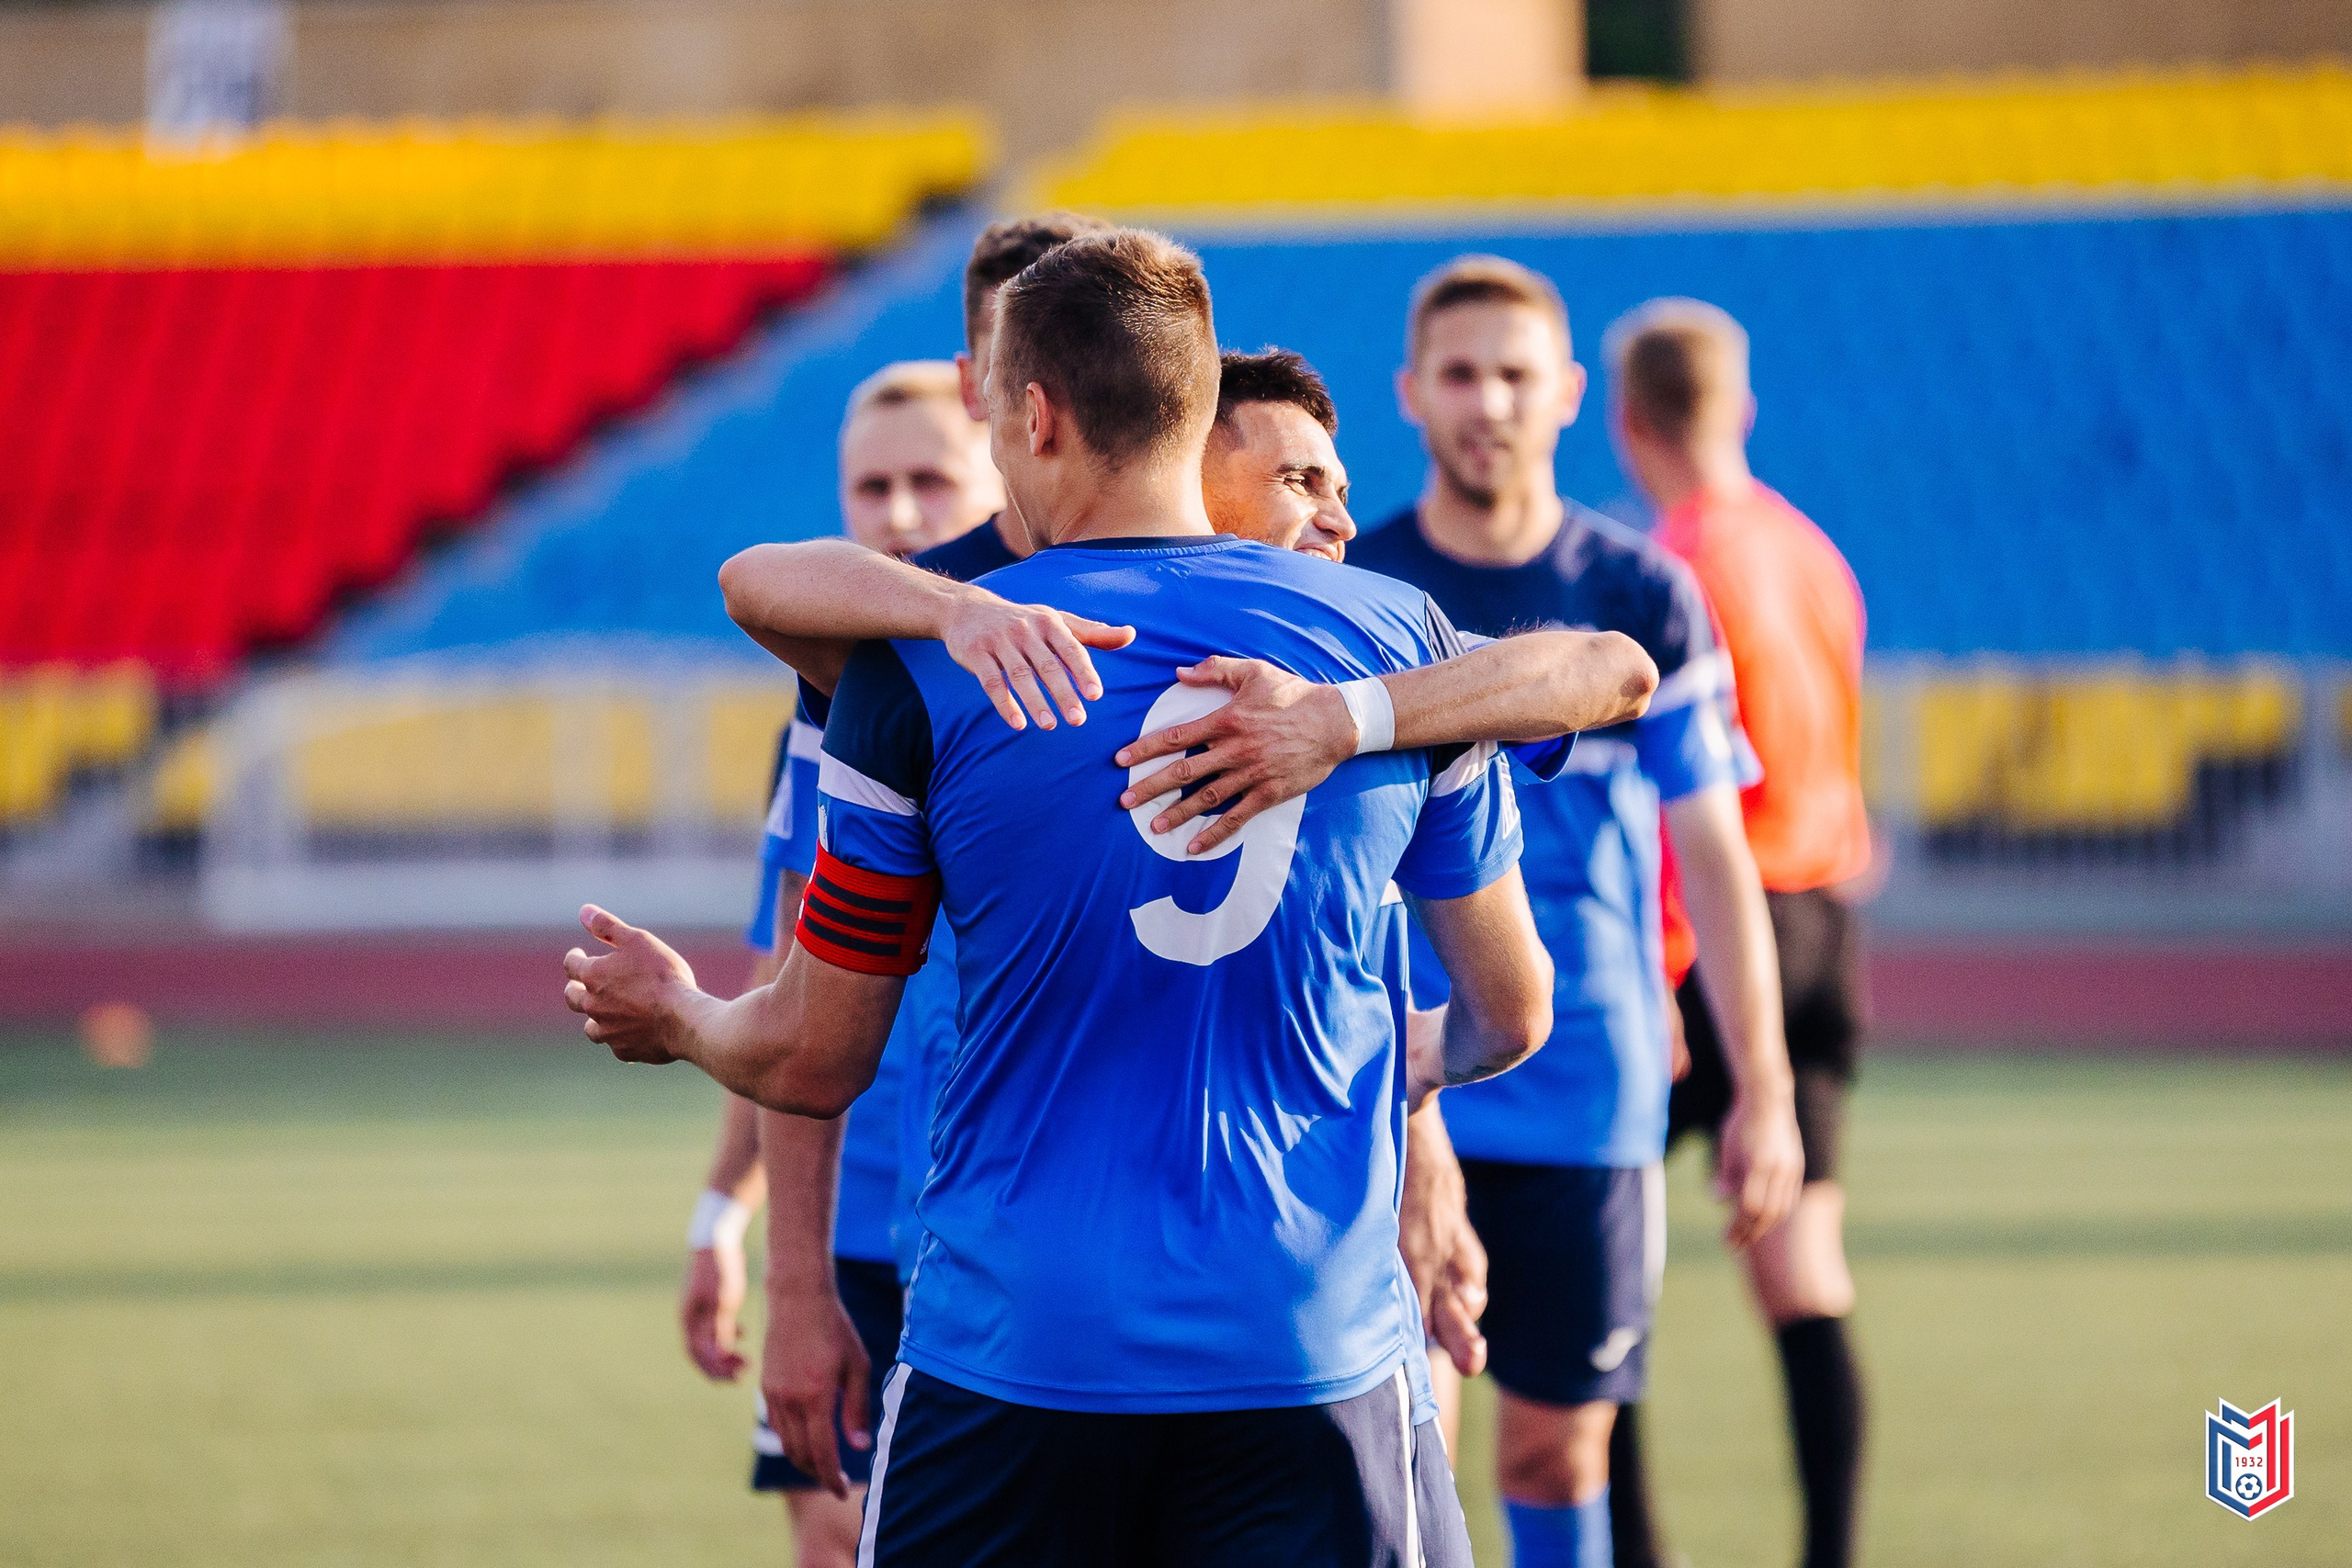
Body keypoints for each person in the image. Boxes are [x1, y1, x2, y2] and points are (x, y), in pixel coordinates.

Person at [569, 226, 1589, 1565]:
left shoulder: (922, 676)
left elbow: (816, 1059)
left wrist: (681, 1015)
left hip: (1013, 1354)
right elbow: (1513, 1010)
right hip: (1309, 1349)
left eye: (993, 426)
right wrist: (1408, 1062)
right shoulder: (1387, 643)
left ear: (1035, 418)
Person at [1346, 254, 1807, 1568]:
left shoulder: (1642, 594)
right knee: (1400, 1438)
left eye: (1513, 374)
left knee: (1558, 1447)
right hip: (1396, 1086)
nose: (1486, 401)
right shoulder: (1362, 595)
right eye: (1459, 374)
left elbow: (1714, 855)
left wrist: (1760, 1086)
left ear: (1564, 396)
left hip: (1589, 1085)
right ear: (1413, 396)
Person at [676, 357, 1010, 1566]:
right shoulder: (823, 713)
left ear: (1000, 472)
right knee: (829, 1540)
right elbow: (784, 987)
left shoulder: (1051, 685)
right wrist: (731, 1217)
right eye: (873, 488)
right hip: (855, 1213)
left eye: (933, 478)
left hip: (1000, 1221)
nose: (904, 513)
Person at [1607, 297, 1875, 1568]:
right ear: (1741, 407)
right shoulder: (1810, 547)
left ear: (1626, 419)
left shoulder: (1680, 564)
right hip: (1824, 910)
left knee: (1596, 1271)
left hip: (1716, 930)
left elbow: (1691, 800)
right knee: (1802, 1269)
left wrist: (1661, 964)